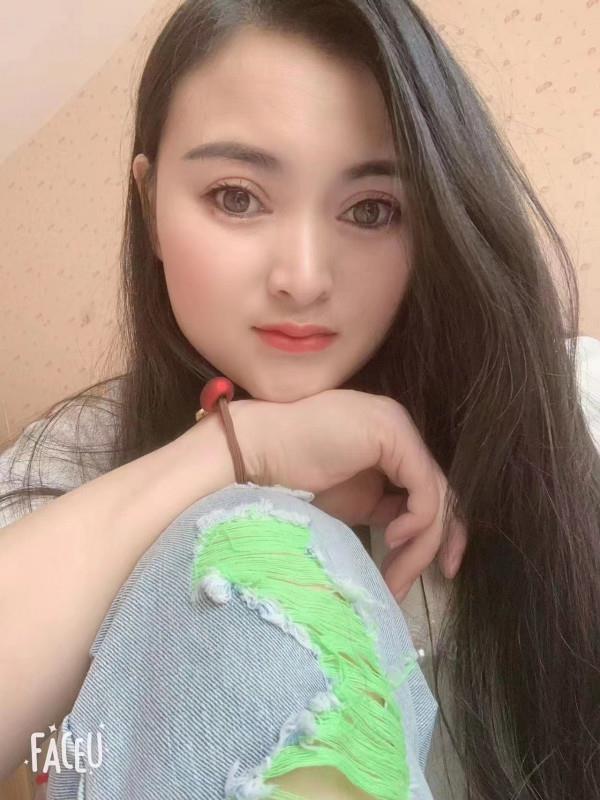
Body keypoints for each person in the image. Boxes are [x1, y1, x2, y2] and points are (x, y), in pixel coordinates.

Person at [0, 0, 598, 797]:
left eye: (371, 210)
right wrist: (238, 452)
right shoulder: (75, 460)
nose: (304, 278)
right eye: (237, 197)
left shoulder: (568, 415)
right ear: (149, 206)